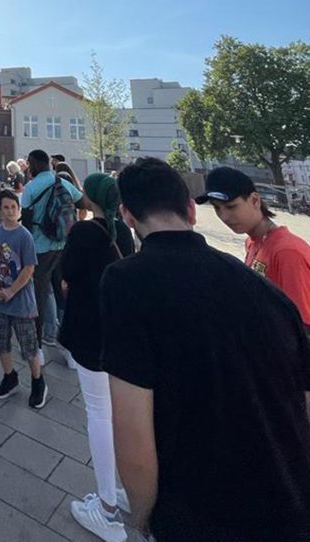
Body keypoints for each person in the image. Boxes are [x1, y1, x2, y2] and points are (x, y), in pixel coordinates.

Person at [104, 158, 310, 542]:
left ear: (127, 215)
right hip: (290, 504)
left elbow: (131, 425)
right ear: (191, 211)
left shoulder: (125, 281)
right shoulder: (262, 290)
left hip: (202, 513)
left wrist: (144, 513)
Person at [58, 173, 135, 542]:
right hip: (118, 336)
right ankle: (126, 490)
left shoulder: (84, 233)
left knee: (99, 417)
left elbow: (67, 275)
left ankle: (106, 509)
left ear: (89, 198)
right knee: (117, 416)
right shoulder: (123, 233)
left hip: (89, 333)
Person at [197, 166, 310, 329]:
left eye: (231, 206)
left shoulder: (286, 252)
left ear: (255, 200)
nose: (224, 216)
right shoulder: (252, 243)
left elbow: (302, 325)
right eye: (217, 208)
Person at [19, 149, 87, 365]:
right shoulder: (62, 183)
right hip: (64, 245)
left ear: (33, 164)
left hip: (40, 247)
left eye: (29, 164)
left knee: (39, 293)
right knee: (61, 292)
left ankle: (37, 344)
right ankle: (69, 344)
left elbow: (27, 222)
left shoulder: (30, 188)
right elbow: (81, 203)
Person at [0, 190, 48, 408]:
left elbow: (29, 268)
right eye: (6, 207)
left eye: (14, 207)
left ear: (18, 209)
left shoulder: (24, 236)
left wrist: (11, 291)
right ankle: (9, 377)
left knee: (28, 345)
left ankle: (37, 380)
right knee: (1, 343)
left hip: (20, 301)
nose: (10, 211)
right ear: (0, 209)